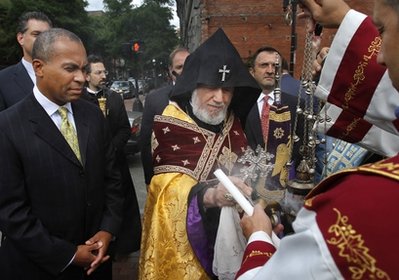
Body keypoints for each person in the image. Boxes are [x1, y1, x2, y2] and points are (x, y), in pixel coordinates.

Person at [235, 0, 399, 279]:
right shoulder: (246, 107)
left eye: (381, 30)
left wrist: (259, 237)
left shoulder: (355, 210)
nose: (379, 57)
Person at [0, 28, 124, 279]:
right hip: (37, 268)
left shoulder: (92, 115)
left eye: (83, 68)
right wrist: (67, 254)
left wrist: (107, 231)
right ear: (39, 67)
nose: (81, 77)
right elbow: (11, 212)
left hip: (97, 262)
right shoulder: (8, 126)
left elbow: (113, 179)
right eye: (70, 69)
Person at [138, 28, 260, 279]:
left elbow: (249, 169)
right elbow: (165, 187)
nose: (220, 98)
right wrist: (212, 196)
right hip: (189, 240)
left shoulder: (233, 123)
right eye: (212, 88)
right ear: (194, 83)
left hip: (235, 235)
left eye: (227, 90)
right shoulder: (170, 123)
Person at [81, 55, 142, 269]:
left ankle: (124, 247)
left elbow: (125, 129)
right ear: (87, 75)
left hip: (116, 162)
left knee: (122, 203)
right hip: (90, 165)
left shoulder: (114, 97)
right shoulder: (78, 100)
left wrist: (112, 150)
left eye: (104, 72)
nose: (103, 75)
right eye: (98, 72)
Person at [245, 46, 303, 192]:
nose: (270, 70)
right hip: (248, 186)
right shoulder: (240, 106)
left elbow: (302, 148)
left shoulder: (296, 105)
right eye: (264, 65)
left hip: (286, 189)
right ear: (252, 72)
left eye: (275, 66)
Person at [140, 47, 190, 186]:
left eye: (188, 66)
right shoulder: (154, 99)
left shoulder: (206, 96)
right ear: (170, 69)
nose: (184, 71)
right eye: (179, 67)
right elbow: (145, 142)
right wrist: (149, 180)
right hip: (166, 179)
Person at [0, 11, 52, 111]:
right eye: (36, 34)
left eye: (47, 35)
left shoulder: (65, 75)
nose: (43, 40)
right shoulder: (2, 80)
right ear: (20, 38)